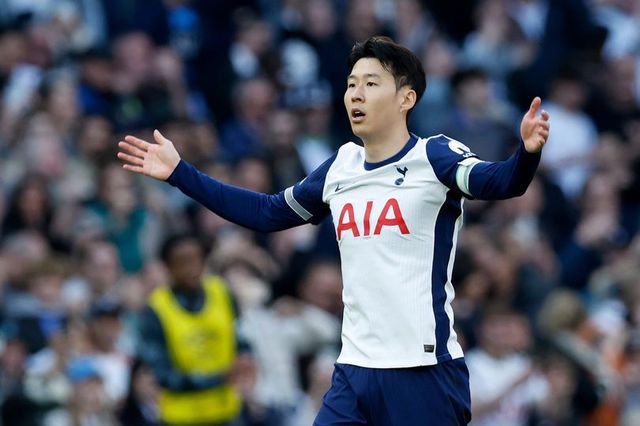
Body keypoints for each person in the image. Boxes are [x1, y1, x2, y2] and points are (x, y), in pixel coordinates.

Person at [118, 36, 550, 425]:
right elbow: (267, 213)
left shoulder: (434, 157)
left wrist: (526, 153)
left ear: (406, 98)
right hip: (354, 371)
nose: (355, 94)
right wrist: (181, 173)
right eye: (351, 84)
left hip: (423, 372)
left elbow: (501, 182)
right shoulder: (340, 166)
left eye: (371, 84)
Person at [137, 234, 250, 425]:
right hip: (181, 418)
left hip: (227, 411)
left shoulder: (221, 292)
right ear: (167, 267)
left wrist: (246, 357)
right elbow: (162, 374)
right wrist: (216, 379)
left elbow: (240, 338)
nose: (191, 267)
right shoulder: (156, 309)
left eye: (196, 259)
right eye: (181, 261)